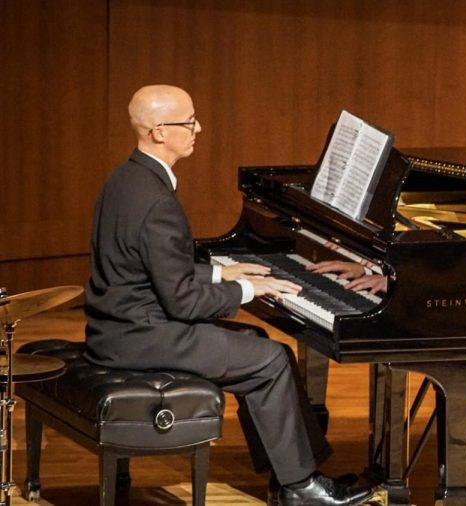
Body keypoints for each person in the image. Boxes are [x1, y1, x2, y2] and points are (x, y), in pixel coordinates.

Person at [83, 84, 376, 506]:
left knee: (257, 345)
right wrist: (246, 288)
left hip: (118, 329)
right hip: (141, 337)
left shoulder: (125, 179)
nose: (198, 128)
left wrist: (221, 270)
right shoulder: (156, 201)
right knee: (272, 361)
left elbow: (145, 268)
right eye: (189, 121)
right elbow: (182, 302)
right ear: (159, 132)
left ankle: (291, 476)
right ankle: (300, 488)